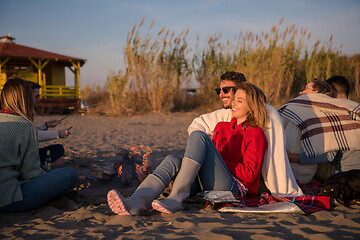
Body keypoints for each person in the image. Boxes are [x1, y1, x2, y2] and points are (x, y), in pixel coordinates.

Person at [107, 82, 269, 215]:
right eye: (234, 99)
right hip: (207, 181)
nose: (233, 103)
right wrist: (210, 159)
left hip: (232, 187)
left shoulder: (255, 133)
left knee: (199, 135)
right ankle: (135, 204)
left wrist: (216, 159)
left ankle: (176, 198)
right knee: (172, 160)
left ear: (252, 106)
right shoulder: (221, 127)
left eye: (240, 101)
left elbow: (249, 174)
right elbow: (210, 161)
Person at [188, 71, 303, 196]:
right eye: (218, 90)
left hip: (252, 181)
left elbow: (275, 157)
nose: (221, 94)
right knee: (174, 162)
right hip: (225, 175)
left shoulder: (269, 115)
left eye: (225, 90)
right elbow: (196, 125)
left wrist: (279, 187)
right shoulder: (224, 117)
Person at [0, 77, 77, 213]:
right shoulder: (25, 126)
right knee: (70, 174)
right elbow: (30, 174)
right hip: (9, 200)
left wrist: (45, 125)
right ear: (26, 99)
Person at [279, 78, 360, 183]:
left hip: (345, 174)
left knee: (318, 153)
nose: (301, 92)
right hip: (353, 171)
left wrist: (293, 157)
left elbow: (328, 155)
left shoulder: (333, 116)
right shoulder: (352, 109)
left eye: (305, 88)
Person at [27, 81, 69, 165]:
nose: (39, 99)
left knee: (58, 149)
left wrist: (45, 125)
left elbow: (30, 133)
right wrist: (58, 134)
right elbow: (33, 136)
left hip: (28, 154)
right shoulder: (20, 114)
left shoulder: (27, 111)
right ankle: (40, 165)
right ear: (27, 97)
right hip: (23, 159)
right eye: (37, 96)